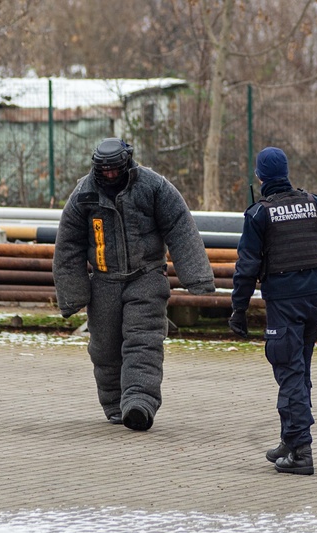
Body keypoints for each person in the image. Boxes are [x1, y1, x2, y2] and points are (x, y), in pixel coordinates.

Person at [53, 137, 215, 431]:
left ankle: (140, 401)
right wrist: (72, 294)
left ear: (127, 162)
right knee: (104, 348)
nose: (111, 176)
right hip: (104, 281)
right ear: (96, 168)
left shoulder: (154, 186)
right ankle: (116, 405)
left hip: (147, 277)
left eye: (116, 170)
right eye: (106, 172)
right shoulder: (84, 194)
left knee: (143, 342)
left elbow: (181, 227)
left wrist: (198, 278)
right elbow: (68, 245)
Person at [229, 146, 317, 475]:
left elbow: (246, 268)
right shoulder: (315, 205)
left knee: (289, 374)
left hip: (284, 302)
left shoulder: (260, 214)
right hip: (315, 299)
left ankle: (301, 452)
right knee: (299, 372)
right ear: (285, 173)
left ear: (259, 176)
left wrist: (238, 311)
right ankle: (290, 439)